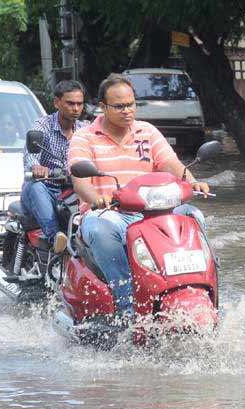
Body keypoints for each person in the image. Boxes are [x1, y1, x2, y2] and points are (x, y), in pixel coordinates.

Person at [69, 73, 210, 322]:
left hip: (153, 213)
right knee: (100, 229)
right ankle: (128, 308)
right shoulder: (85, 137)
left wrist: (191, 181)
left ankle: (205, 293)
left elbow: (169, 162)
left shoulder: (147, 131)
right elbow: (80, 181)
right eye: (119, 106)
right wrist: (95, 199)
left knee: (193, 217)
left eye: (131, 104)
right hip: (109, 214)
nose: (127, 111)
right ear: (102, 107)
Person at [22, 80, 88, 253]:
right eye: (70, 103)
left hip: (74, 192)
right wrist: (37, 168)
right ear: (56, 103)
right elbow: (31, 155)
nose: (75, 108)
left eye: (79, 104)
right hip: (47, 190)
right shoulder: (42, 126)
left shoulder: (85, 130)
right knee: (35, 187)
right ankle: (56, 239)